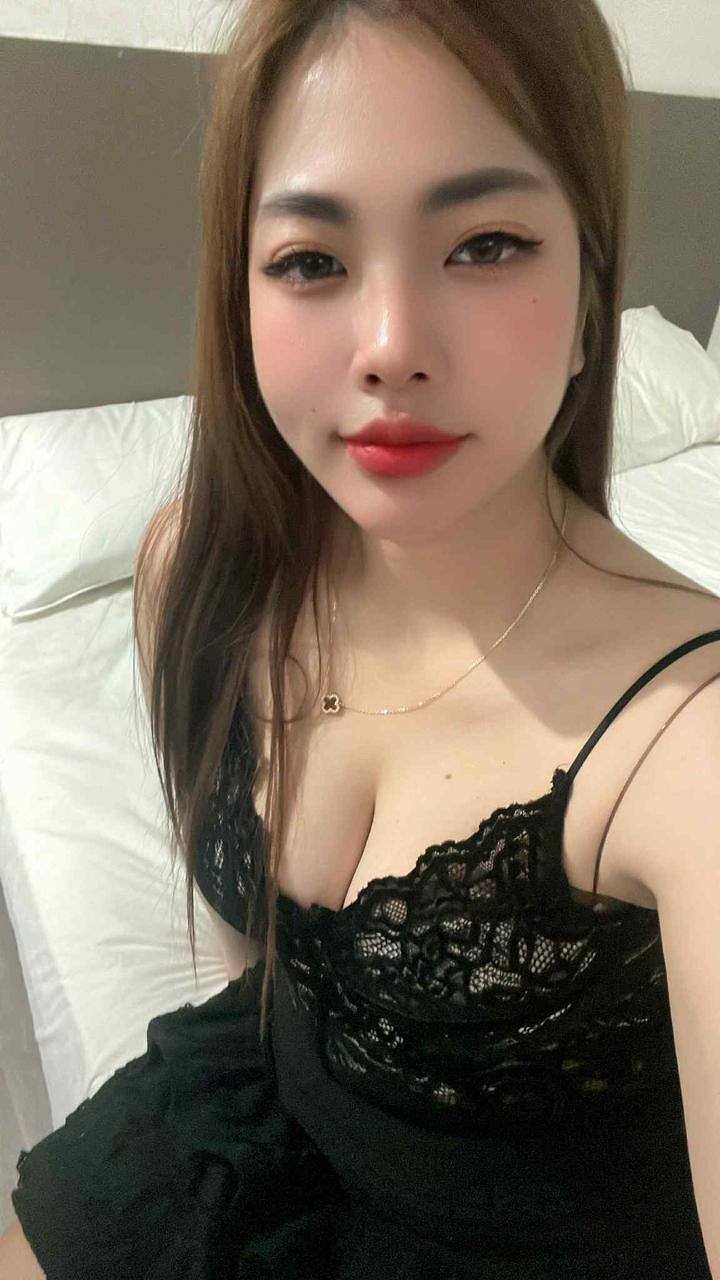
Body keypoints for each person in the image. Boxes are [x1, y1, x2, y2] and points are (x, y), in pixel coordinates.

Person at [4, 1, 720, 1276]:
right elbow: (261, 974)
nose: (391, 347)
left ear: (591, 295)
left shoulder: (686, 745)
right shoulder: (195, 578)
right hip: (259, 1114)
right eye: (311, 260)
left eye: (487, 243)